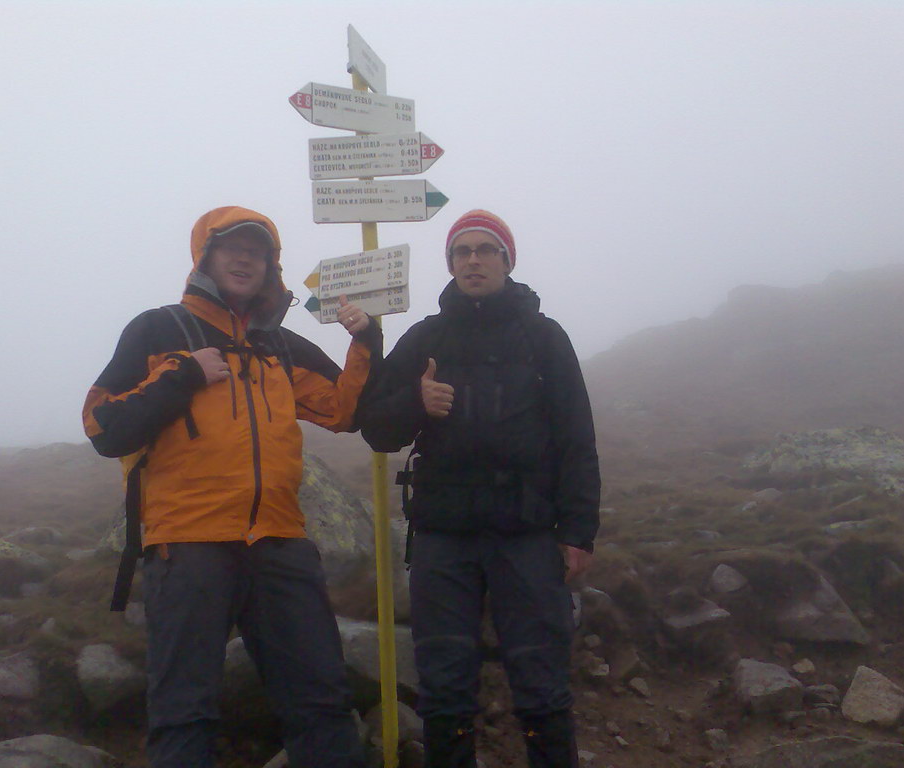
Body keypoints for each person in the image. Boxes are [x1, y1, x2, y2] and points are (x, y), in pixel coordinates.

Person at [82, 206, 378, 768]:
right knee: (184, 711)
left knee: (321, 703)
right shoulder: (159, 329)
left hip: (280, 541)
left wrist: (365, 340)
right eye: (231, 248)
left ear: (272, 267)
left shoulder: (280, 345)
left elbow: (344, 410)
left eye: (258, 251)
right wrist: (184, 374)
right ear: (205, 258)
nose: (245, 258)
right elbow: (102, 425)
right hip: (188, 544)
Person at [359, 210, 600, 768]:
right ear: (450, 264)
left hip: (527, 531)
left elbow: (576, 438)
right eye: (462, 251)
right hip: (444, 535)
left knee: (541, 684)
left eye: (486, 250)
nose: (473, 259)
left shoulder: (543, 336)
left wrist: (580, 531)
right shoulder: (427, 337)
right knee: (445, 690)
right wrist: (416, 403)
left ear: (507, 261)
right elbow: (376, 427)